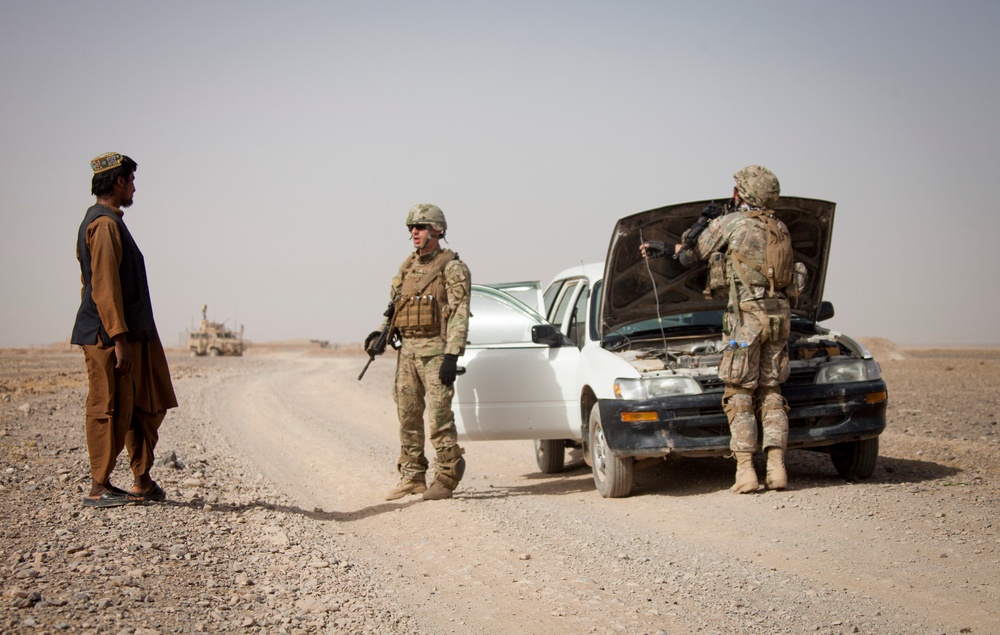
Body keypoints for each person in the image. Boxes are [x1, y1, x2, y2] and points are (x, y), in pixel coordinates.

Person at [642, 165, 794, 493]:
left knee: (739, 393)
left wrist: (695, 228)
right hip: (778, 318)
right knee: (771, 393)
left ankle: (745, 472)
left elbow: (690, 257)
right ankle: (777, 469)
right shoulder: (781, 228)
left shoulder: (732, 223)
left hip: (744, 322)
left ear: (741, 193)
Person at [71, 152, 178, 507]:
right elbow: (102, 287)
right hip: (110, 337)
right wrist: (118, 339)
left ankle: (142, 479)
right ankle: (98, 487)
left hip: (130, 334)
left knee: (143, 404)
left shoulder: (111, 222)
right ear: (119, 182)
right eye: (131, 180)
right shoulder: (103, 226)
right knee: (110, 407)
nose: (134, 188)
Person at [366, 204, 471, 501]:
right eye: (412, 228)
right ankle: (412, 476)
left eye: (421, 227)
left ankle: (448, 474)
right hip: (408, 354)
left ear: (437, 231)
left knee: (439, 419)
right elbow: (395, 306)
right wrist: (380, 334)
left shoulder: (453, 268)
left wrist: (452, 355)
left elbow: (460, 313)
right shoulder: (407, 267)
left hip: (436, 354)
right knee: (408, 416)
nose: (415, 232)